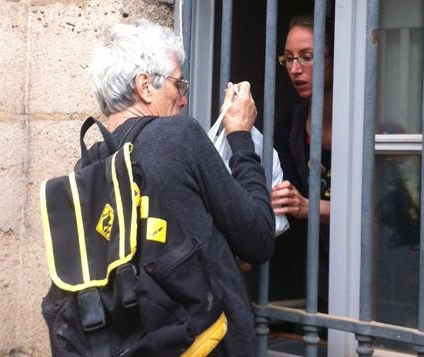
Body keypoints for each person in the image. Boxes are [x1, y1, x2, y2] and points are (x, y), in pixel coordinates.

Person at [90, 19, 275, 356]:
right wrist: (241, 138)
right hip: (203, 345)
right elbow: (259, 238)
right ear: (145, 86)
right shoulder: (178, 136)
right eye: (179, 84)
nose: (184, 99)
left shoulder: (90, 163)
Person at [271, 15, 334, 314]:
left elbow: (377, 210)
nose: (295, 70)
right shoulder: (290, 123)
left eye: (307, 57)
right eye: (289, 58)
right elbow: (292, 195)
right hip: (320, 264)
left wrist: (307, 207)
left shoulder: (369, 121)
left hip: (376, 265)